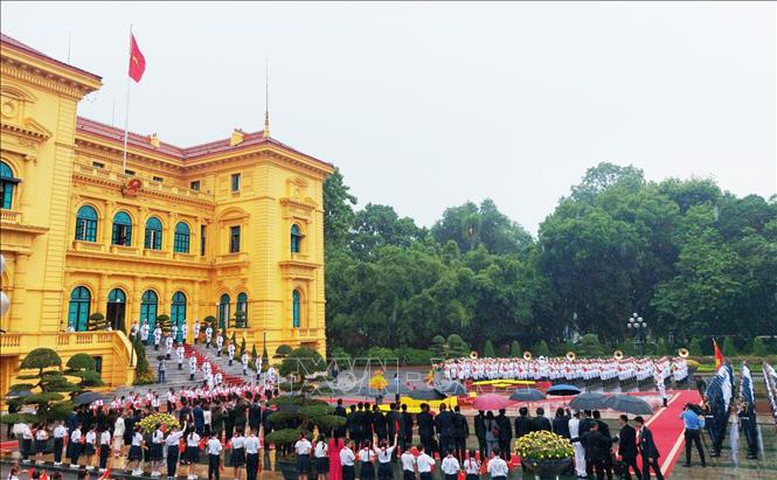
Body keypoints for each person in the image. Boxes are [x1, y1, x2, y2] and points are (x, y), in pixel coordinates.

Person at [679, 403, 706, 468]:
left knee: (688, 448)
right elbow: (702, 425)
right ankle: (703, 462)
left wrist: (684, 411)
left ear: (688, 407)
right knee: (699, 447)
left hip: (688, 431)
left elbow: (680, 417)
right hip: (696, 432)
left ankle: (688, 462)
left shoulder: (685, 413)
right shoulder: (698, 414)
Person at [616, 415, 641, 480]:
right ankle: (641, 478)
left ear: (623, 420)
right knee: (635, 467)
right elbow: (633, 440)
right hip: (632, 452)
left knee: (625, 468)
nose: (618, 421)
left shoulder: (623, 431)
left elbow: (622, 443)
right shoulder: (632, 429)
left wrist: (620, 453)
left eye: (619, 419)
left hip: (626, 453)